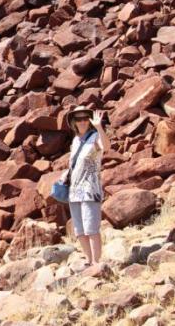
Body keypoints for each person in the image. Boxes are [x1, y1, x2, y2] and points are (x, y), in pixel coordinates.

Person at [60, 106, 110, 267]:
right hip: (74, 191)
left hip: (90, 189)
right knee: (79, 231)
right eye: (78, 119)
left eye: (85, 118)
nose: (82, 122)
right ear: (74, 122)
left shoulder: (95, 137)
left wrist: (99, 126)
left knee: (91, 228)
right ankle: (88, 261)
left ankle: (97, 263)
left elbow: (106, 147)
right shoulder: (75, 141)